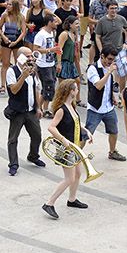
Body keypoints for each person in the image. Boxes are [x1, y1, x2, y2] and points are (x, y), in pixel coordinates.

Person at [41, 79, 91, 219]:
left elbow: (76, 122)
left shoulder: (72, 106)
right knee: (69, 178)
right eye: (76, 89)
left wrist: (87, 131)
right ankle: (49, 203)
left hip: (74, 148)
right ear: (71, 91)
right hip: (66, 149)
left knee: (78, 174)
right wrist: (63, 140)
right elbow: (51, 127)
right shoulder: (61, 110)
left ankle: (72, 199)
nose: (78, 91)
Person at [5, 46, 46, 176]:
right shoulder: (12, 71)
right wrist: (23, 75)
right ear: (20, 57)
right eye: (28, 56)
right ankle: (13, 164)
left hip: (30, 111)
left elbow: (35, 89)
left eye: (31, 56)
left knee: (37, 135)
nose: (31, 58)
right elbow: (14, 90)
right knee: (13, 139)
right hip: (17, 111)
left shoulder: (32, 71)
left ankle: (33, 156)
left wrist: (38, 107)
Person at [86, 46, 127, 162]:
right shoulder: (93, 69)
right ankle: (74, 153)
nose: (111, 62)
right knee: (87, 133)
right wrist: (109, 72)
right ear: (102, 56)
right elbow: (98, 85)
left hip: (108, 107)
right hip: (95, 108)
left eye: (113, 60)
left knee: (114, 131)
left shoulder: (109, 68)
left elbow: (108, 86)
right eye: (109, 59)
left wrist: (112, 96)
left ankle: (112, 152)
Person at [94, 2, 127, 91]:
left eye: (115, 8)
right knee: (106, 72)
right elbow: (97, 37)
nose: (114, 10)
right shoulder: (102, 21)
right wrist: (101, 50)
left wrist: (126, 42)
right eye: (111, 8)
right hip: (107, 52)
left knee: (123, 72)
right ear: (107, 9)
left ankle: (122, 94)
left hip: (119, 50)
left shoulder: (121, 19)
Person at [32, 12, 60, 112]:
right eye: (54, 22)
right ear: (49, 22)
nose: (57, 23)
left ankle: (43, 108)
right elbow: (35, 49)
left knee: (50, 88)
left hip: (51, 63)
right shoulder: (41, 35)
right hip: (43, 65)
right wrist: (50, 50)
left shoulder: (52, 32)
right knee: (48, 87)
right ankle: (40, 108)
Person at [57, 16, 83, 105]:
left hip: (71, 62)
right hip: (64, 62)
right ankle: (60, 102)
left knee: (77, 81)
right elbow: (59, 49)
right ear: (70, 25)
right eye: (76, 24)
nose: (78, 25)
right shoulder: (64, 34)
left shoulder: (74, 35)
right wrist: (59, 63)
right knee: (63, 85)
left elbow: (76, 52)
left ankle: (77, 100)